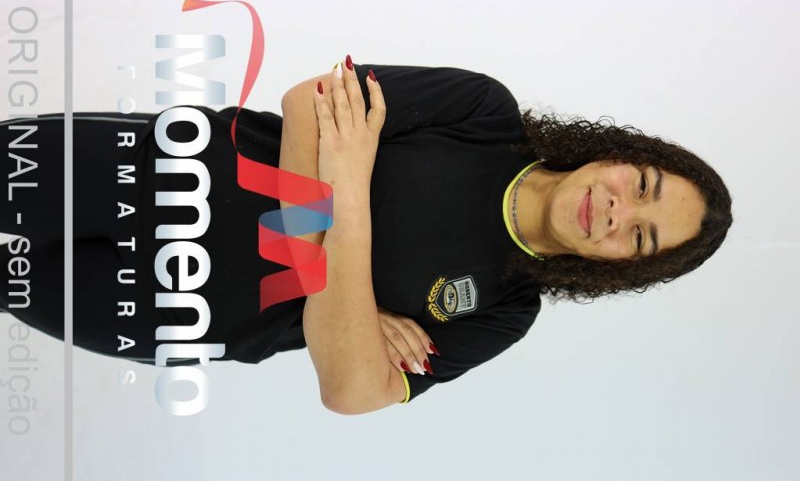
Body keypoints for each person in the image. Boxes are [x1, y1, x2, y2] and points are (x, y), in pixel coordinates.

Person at [0, 57, 732, 414]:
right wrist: (346, 306)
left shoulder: (507, 310)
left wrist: (346, 186)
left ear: (622, 268)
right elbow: (309, 102)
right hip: (155, 168)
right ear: (622, 153)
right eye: (643, 185)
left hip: (173, 308)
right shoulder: (484, 113)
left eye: (641, 239)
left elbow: (350, 390)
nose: (618, 212)